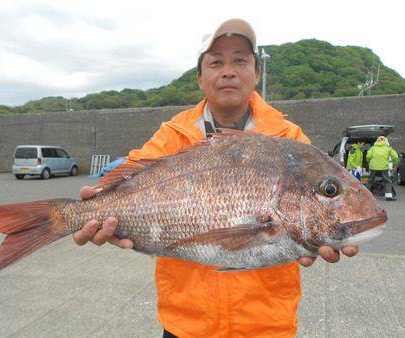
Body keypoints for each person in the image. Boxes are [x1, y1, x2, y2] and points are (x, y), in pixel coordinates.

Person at [73, 18, 359, 337]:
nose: (228, 70)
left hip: (267, 326)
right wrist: (92, 210)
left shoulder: (289, 140)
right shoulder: (172, 135)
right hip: (186, 325)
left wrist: (323, 231)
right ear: (200, 77)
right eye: (216, 62)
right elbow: (123, 179)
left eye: (240, 60)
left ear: (257, 73)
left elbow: (308, 214)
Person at [366, 136, 399, 201]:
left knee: (370, 181)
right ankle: (388, 196)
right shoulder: (388, 148)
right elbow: (395, 156)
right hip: (384, 167)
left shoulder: (372, 148)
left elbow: (368, 156)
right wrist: (394, 164)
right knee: (387, 181)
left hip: (373, 167)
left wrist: (369, 162)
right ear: (385, 141)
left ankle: (365, 196)